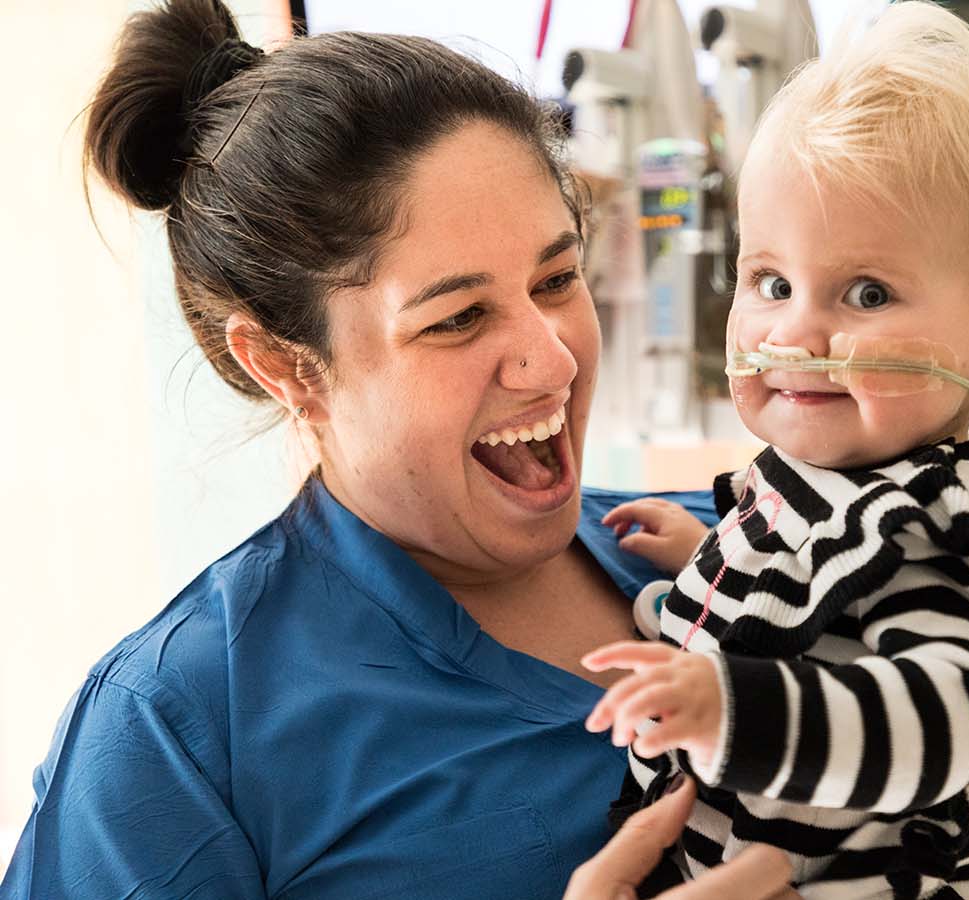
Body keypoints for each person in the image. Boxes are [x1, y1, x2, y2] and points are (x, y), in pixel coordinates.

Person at [0, 2, 800, 898]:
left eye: (556, 277)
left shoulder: (755, 553)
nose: (553, 357)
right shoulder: (177, 734)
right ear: (285, 366)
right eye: (457, 318)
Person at [579, 4, 969, 898]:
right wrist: (717, 562)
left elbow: (943, 720)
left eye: (867, 292)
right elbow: (831, 609)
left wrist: (726, 704)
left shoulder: (930, 528)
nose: (796, 330)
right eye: (770, 281)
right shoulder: (818, 491)